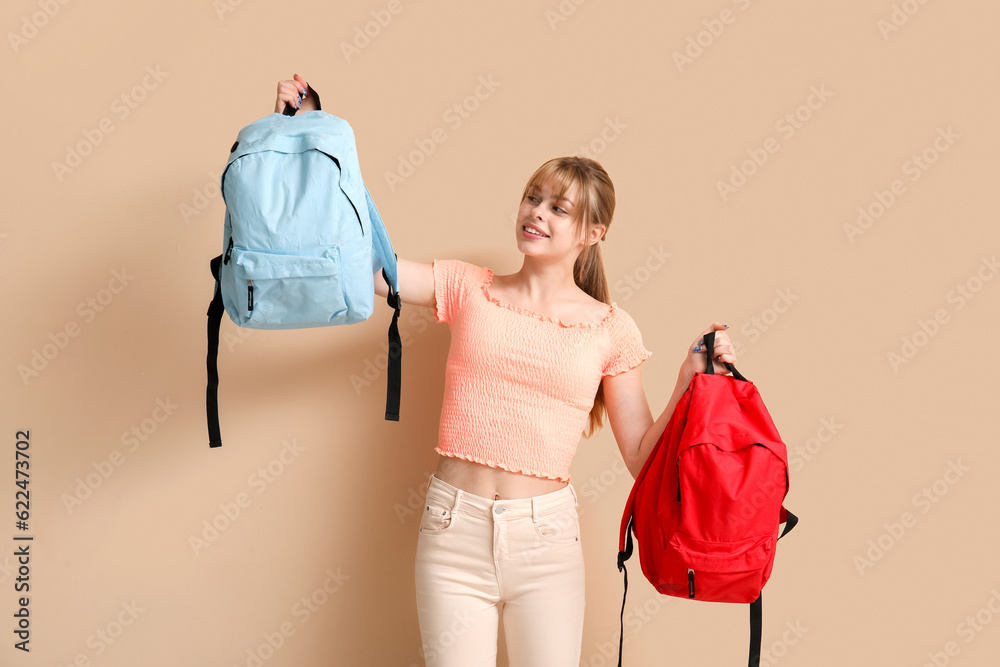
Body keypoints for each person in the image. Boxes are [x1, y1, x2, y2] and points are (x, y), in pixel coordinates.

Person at [274, 77, 738, 667]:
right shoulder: (468, 286)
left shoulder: (612, 329)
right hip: (452, 530)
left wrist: (688, 381)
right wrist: (309, 129)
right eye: (532, 197)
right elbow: (365, 266)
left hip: (547, 543)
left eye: (558, 207)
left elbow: (643, 458)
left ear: (594, 234)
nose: (536, 213)